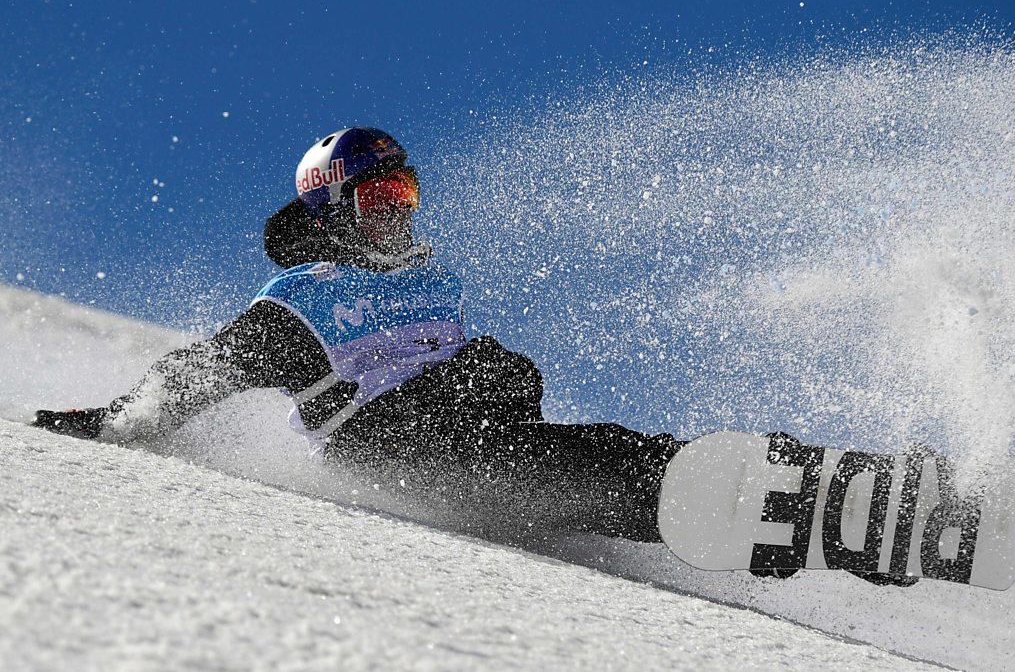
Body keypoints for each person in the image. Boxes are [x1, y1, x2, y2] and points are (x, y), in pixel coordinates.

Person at [32, 126, 683, 543]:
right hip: (391, 450)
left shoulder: (434, 281)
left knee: (573, 451)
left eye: (403, 192)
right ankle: (680, 488)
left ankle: (692, 497)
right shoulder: (304, 298)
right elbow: (208, 366)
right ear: (332, 214)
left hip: (467, 440)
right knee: (565, 462)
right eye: (378, 201)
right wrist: (120, 419)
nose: (397, 213)